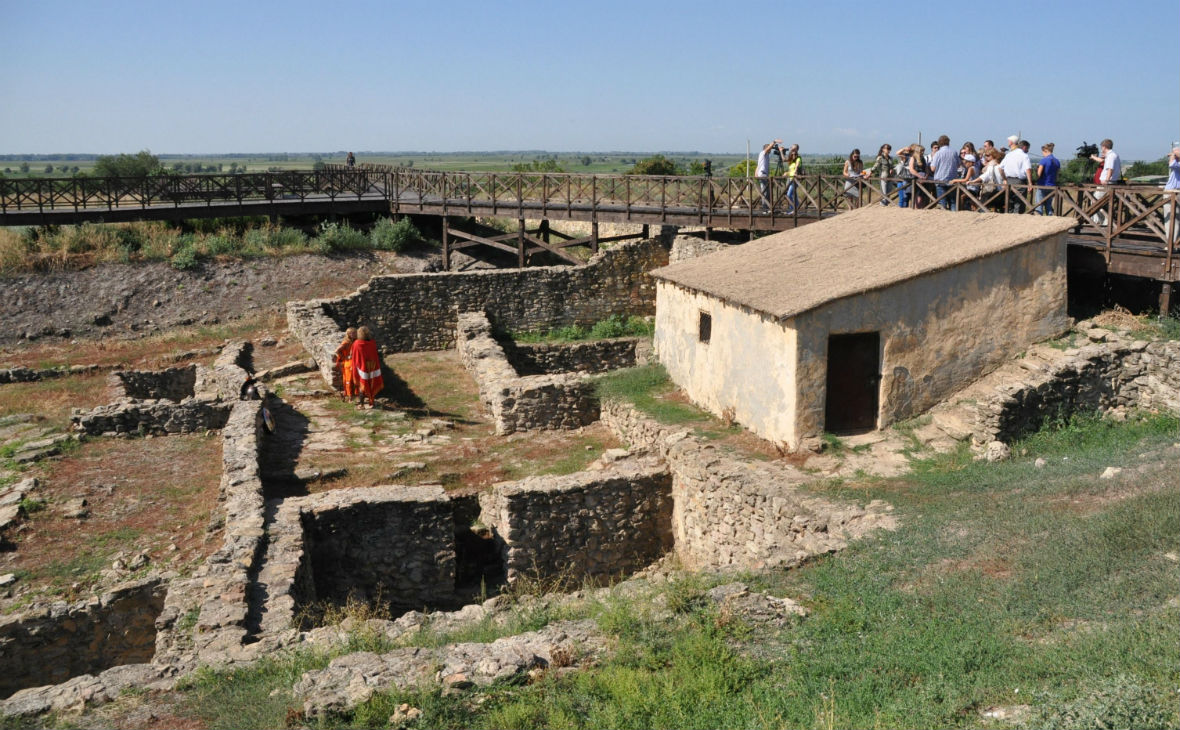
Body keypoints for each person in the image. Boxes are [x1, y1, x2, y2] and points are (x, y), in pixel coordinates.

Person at [349, 326, 384, 409]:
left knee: (362, 385)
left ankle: (361, 405)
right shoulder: (372, 342)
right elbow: (374, 355)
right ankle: (372, 401)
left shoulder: (357, 343)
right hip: (372, 366)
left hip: (362, 367)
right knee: (372, 383)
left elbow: (354, 356)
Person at [1089, 139, 1122, 225]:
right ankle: (1105, 221)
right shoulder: (1115, 155)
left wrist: (1106, 180)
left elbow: (1110, 169)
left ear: (1104, 147)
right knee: (1104, 203)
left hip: (1106, 183)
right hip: (1111, 182)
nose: (1101, 149)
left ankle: (1104, 221)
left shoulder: (1110, 156)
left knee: (1096, 202)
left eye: (1102, 147)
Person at [1000, 135, 1033, 213]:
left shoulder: (1008, 155)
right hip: (1019, 182)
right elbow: (1028, 169)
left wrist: (1004, 179)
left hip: (1008, 181)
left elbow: (1000, 168)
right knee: (1019, 204)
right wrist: (1030, 183)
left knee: (1009, 204)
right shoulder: (1024, 155)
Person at [967, 148, 1006, 212]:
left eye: (988, 155)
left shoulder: (991, 166)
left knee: (983, 203)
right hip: (1001, 191)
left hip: (995, 191)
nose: (986, 157)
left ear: (993, 155)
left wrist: (973, 181)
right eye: (985, 155)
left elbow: (984, 176)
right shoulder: (999, 165)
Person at [930, 135, 958, 209]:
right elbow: (958, 165)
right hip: (952, 180)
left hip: (940, 180)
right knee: (953, 202)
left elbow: (933, 168)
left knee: (942, 202)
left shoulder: (938, 153)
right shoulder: (954, 152)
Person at [332, 326, 358, 403]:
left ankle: (354, 395)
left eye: (354, 333)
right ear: (348, 334)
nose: (353, 334)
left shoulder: (356, 341)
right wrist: (345, 357)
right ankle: (350, 398)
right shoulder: (346, 342)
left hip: (356, 363)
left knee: (356, 380)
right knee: (349, 380)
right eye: (351, 333)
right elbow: (337, 350)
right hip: (349, 363)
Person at [951, 142, 980, 210]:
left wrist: (955, 180)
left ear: (970, 162)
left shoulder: (971, 168)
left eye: (966, 162)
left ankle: (960, 210)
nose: (965, 163)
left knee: (961, 197)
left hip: (972, 188)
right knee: (973, 203)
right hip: (974, 188)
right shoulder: (975, 168)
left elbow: (966, 179)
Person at [756, 139, 783, 210]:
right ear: (766, 148)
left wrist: (756, 173)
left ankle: (767, 207)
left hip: (763, 174)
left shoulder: (766, 155)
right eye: (770, 148)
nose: (771, 149)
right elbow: (768, 148)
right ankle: (765, 208)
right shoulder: (763, 153)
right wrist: (775, 141)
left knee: (767, 191)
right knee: (765, 191)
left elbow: (758, 165)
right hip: (763, 174)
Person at [1035, 143, 1061, 215]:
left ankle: (1039, 220)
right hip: (1052, 186)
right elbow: (1057, 176)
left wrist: (1035, 180)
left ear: (1046, 151)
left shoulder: (1043, 160)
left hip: (1042, 185)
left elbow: (1038, 174)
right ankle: (1050, 220)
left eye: (1043, 152)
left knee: (1039, 205)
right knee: (1048, 205)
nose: (1043, 154)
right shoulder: (1057, 161)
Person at [1163, 147, 1180, 240]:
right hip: (1174, 192)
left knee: (1170, 219)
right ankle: (1174, 242)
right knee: (1176, 219)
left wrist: (1173, 155)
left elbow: (1171, 164)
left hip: (1172, 193)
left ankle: (1171, 243)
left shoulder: (1177, 165)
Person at [907, 144, 931, 208]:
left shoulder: (923, 159)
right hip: (915, 179)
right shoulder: (913, 158)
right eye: (921, 151)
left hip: (923, 179)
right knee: (915, 195)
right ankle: (915, 207)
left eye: (923, 151)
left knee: (922, 195)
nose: (923, 152)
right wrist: (919, 176)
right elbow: (911, 169)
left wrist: (926, 176)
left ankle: (920, 207)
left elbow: (926, 169)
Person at [783, 144, 802, 213]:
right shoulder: (791, 159)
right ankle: (797, 207)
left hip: (795, 179)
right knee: (794, 194)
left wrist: (796, 172)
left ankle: (792, 209)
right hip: (790, 178)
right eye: (792, 149)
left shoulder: (798, 158)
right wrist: (787, 173)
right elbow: (790, 170)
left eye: (794, 149)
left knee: (789, 194)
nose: (792, 150)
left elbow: (797, 166)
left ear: (797, 150)